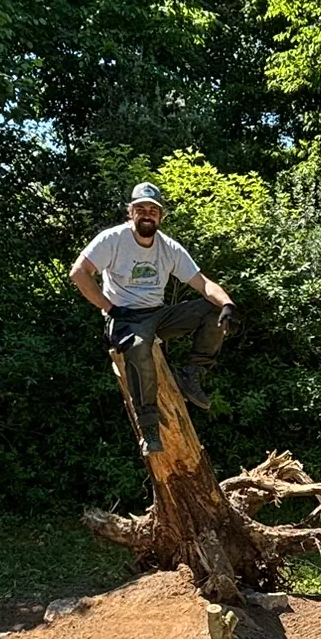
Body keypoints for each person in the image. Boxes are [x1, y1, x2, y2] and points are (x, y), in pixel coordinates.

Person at [71, 181, 235, 454]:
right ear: (130, 212)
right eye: (141, 209)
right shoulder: (113, 239)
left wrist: (227, 304)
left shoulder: (168, 247)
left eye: (153, 210)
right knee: (137, 348)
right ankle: (149, 427)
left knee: (214, 309)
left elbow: (202, 283)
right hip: (123, 316)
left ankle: (192, 375)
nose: (147, 214)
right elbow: (79, 272)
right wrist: (109, 307)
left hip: (157, 315)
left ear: (160, 216)